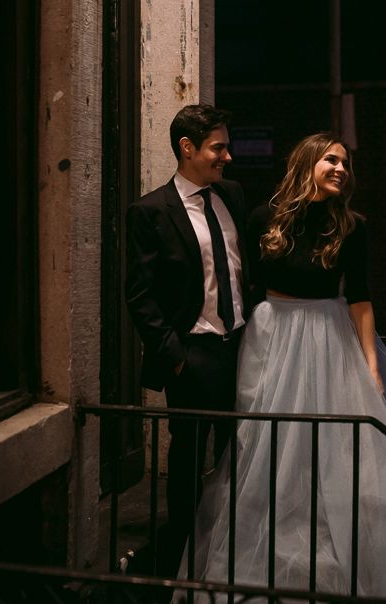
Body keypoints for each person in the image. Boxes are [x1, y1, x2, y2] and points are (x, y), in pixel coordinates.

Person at [174, 133, 386, 603]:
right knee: (266, 447)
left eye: (346, 163)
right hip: (273, 336)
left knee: (342, 447)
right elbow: (243, 284)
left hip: (330, 338)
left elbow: (361, 297)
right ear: (307, 162)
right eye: (331, 159)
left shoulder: (350, 226)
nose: (340, 169)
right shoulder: (262, 219)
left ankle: (347, 556)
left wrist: (372, 364)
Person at [125, 104, 249, 571]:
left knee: (239, 455)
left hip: (240, 349)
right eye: (218, 147)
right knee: (188, 460)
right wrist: (176, 358)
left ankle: (231, 548)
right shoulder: (151, 211)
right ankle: (183, 557)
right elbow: (139, 296)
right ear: (187, 147)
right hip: (193, 356)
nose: (227, 156)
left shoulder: (233, 195)